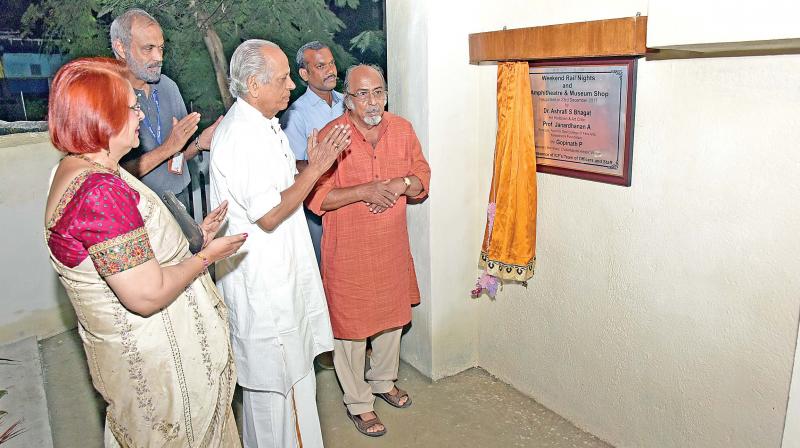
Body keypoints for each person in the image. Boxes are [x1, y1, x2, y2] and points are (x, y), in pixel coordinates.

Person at [44, 57, 247, 447]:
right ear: (103, 118)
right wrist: (207, 257)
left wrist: (193, 239)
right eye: (131, 106)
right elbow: (145, 294)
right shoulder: (98, 193)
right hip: (160, 369)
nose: (139, 114)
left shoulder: (82, 168)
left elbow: (130, 252)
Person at [209, 39, 350, 448]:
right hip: (265, 287)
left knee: (281, 399)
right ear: (254, 84)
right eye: (284, 78)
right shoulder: (242, 136)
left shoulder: (263, 124)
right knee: (281, 401)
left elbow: (279, 194)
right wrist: (318, 168)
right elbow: (270, 215)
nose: (292, 85)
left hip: (279, 277)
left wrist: (306, 168)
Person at [307, 64, 431, 438]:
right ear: (348, 99)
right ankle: (359, 402)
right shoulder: (333, 136)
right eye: (362, 94)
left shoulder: (402, 129)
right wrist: (365, 190)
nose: (372, 101)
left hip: (391, 247)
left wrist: (400, 182)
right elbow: (316, 196)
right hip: (348, 251)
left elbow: (422, 179)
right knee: (351, 328)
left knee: (393, 318)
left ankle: (383, 381)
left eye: (378, 91)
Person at [110, 8, 222, 208]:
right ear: (121, 47)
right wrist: (168, 148)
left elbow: (176, 157)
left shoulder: (168, 87)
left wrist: (198, 144)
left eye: (161, 48)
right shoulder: (107, 96)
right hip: (140, 211)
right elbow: (110, 175)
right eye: (148, 48)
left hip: (180, 202)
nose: (158, 57)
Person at [280, 40, 345, 370]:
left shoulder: (348, 103)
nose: (330, 70)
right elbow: (293, 164)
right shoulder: (297, 114)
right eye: (320, 66)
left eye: (331, 63)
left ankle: (352, 338)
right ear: (304, 73)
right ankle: (327, 346)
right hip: (318, 205)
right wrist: (324, 166)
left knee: (350, 269)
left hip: (352, 199)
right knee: (324, 273)